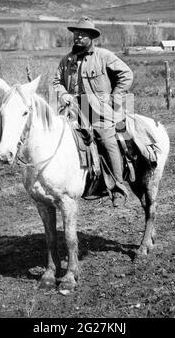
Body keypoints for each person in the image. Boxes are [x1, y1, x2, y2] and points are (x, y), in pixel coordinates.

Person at [53, 16, 133, 207]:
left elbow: (126, 74)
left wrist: (115, 97)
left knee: (107, 140)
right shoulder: (67, 60)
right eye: (76, 35)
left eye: (82, 35)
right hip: (72, 109)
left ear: (91, 38)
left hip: (97, 110)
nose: (78, 38)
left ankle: (118, 188)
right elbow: (57, 82)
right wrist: (63, 94)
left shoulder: (103, 56)